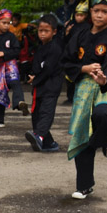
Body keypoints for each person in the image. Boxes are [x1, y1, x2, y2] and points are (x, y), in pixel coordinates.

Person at [64, 0, 107, 199]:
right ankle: (84, 186)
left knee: (101, 114)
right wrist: (84, 68)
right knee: (82, 135)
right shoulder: (80, 34)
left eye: (105, 12)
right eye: (96, 11)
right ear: (91, 12)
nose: (99, 15)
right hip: (83, 88)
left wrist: (104, 78)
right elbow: (66, 61)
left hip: (106, 85)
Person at [25, 15, 63, 152]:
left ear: (54, 31)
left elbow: (48, 69)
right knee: (36, 113)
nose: (42, 34)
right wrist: (32, 76)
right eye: (40, 30)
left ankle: (39, 136)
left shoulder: (55, 48)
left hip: (51, 86)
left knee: (46, 112)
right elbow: (36, 65)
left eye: (46, 31)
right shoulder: (40, 46)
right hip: (40, 86)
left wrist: (35, 79)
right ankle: (48, 143)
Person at [0, 9, 25, 128]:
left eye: (9, 23)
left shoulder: (11, 36)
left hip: (10, 65)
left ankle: (19, 102)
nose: (7, 26)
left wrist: (4, 53)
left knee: (15, 83)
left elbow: (17, 50)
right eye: (4, 23)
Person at [62, 0, 91, 105]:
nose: (78, 17)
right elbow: (66, 41)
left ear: (86, 16)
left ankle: (79, 97)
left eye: (81, 15)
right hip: (70, 54)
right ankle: (70, 97)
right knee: (68, 76)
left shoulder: (87, 27)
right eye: (77, 15)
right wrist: (67, 33)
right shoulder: (72, 26)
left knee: (78, 76)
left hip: (80, 54)